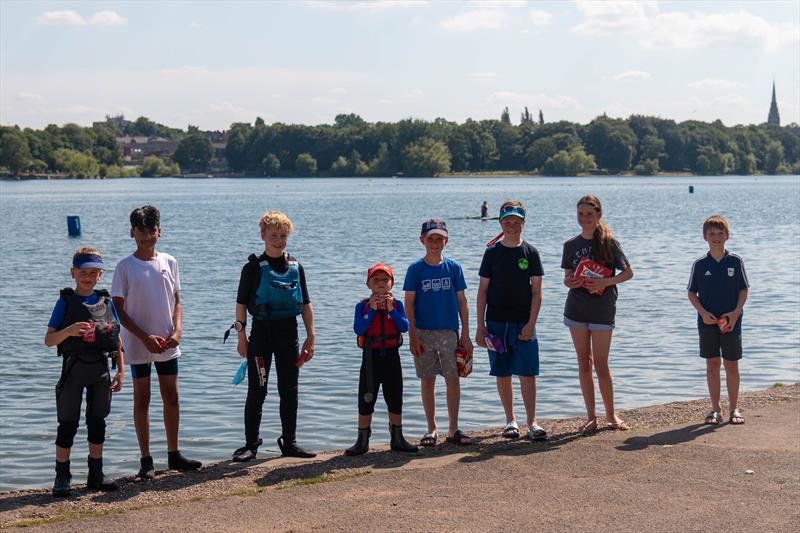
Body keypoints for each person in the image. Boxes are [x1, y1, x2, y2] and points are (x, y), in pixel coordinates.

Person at [111, 205, 200, 479]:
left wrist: (178, 331)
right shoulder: (125, 267)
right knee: (142, 399)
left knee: (171, 396)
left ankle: (173, 454)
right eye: (141, 231)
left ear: (159, 231)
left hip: (167, 343)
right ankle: (146, 460)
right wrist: (143, 337)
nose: (147, 236)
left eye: (151, 230)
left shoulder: (170, 262)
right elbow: (118, 310)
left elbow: (177, 301)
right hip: (138, 344)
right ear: (132, 233)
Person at [230, 211, 317, 461]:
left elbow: (306, 304)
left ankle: (289, 442)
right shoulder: (253, 268)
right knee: (258, 389)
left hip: (288, 334)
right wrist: (241, 338)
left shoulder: (296, 267)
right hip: (261, 336)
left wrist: (311, 336)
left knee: (289, 389)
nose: (278, 240)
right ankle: (251, 445)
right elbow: (240, 306)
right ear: (263, 236)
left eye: (283, 236)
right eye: (273, 236)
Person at [45, 247, 125, 496]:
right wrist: (68, 331)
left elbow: (117, 340)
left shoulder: (106, 302)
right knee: (67, 423)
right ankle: (62, 476)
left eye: (94, 272)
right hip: (73, 369)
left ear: (100, 275)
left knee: (97, 421)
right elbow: (49, 340)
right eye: (83, 272)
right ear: (73, 273)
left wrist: (121, 371)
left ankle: (96, 474)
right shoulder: (65, 303)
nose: (88, 277)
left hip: (99, 370)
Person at [561, 195, 634, 435]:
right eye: (580, 214)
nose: (584, 219)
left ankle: (611, 415)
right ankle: (591, 416)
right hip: (577, 308)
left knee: (601, 364)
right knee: (584, 361)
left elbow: (628, 273)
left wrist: (605, 281)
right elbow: (567, 278)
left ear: (599, 215)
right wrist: (570, 282)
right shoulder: (570, 245)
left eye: (589, 214)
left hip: (603, 309)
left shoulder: (609, 243)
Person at [475, 200, 547, 441]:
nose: (512, 226)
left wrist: (531, 323)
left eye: (516, 222)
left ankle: (532, 422)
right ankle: (510, 421)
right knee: (503, 372)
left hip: (523, 322)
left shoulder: (531, 252)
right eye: (507, 221)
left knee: (527, 373)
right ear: (501, 223)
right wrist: (480, 326)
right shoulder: (492, 253)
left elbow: (537, 292)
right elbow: (482, 291)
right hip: (495, 323)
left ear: (523, 223)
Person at [403, 218, 474, 447]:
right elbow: (409, 303)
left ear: (446, 241)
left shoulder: (453, 267)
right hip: (423, 332)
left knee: (453, 379)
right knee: (427, 380)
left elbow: (462, 302)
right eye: (430, 238)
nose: (435, 243)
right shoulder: (415, 269)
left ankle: (453, 428)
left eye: (439, 239)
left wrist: (465, 334)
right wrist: (412, 334)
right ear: (422, 240)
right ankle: (431, 428)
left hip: (449, 332)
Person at [345, 264, 418, 455]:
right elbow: (359, 329)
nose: (381, 284)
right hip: (370, 358)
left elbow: (404, 327)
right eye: (376, 280)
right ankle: (362, 440)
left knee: (395, 395)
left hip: (392, 356)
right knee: (366, 396)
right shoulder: (362, 306)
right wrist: (372, 311)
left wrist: (392, 310)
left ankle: (397, 437)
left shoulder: (398, 305)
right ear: (368, 284)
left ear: (391, 283)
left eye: (385, 280)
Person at [688, 215, 749, 425]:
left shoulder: (735, 261)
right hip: (707, 322)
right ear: (705, 237)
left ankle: (734, 409)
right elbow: (691, 293)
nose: (716, 237)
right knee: (712, 364)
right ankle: (715, 409)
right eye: (712, 233)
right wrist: (703, 313)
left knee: (731, 365)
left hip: (732, 321)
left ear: (727, 236)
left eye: (720, 233)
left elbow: (743, 289)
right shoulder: (699, 264)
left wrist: (735, 312)